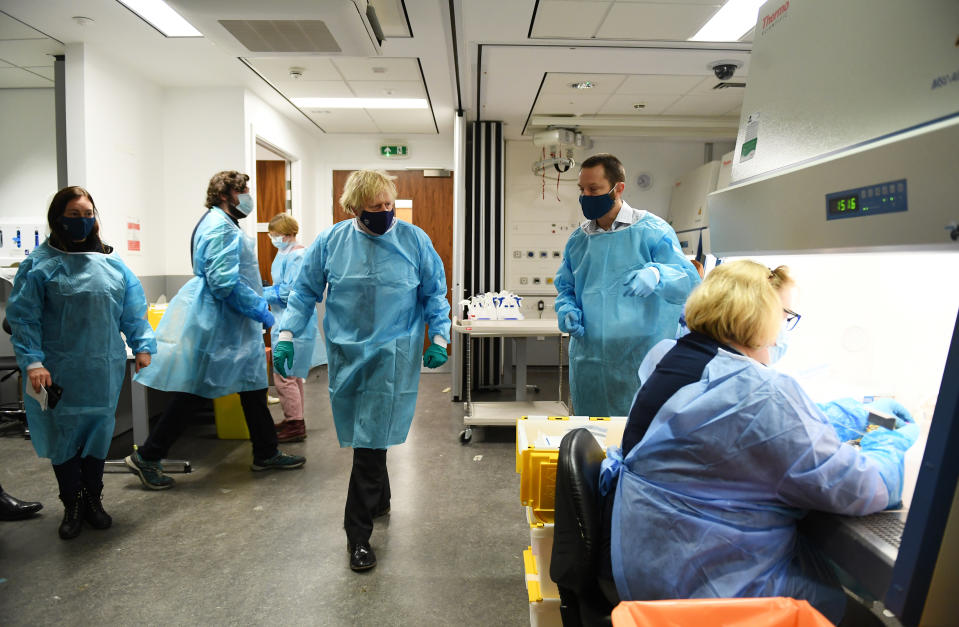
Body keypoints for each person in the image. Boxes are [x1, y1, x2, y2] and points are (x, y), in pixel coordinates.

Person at [600, 260, 918, 623]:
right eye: (786, 316)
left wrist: (853, 415)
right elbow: (862, 488)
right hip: (716, 595)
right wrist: (890, 443)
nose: (783, 329)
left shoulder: (671, 357)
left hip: (650, 570)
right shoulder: (761, 393)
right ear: (763, 316)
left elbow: (764, 424)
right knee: (870, 619)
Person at [272, 169, 450, 572]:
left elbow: (434, 292)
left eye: (389, 205)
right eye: (374, 208)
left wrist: (439, 339)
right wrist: (286, 334)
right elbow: (303, 292)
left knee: (368, 443)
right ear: (353, 208)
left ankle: (358, 537)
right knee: (367, 436)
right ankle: (381, 499)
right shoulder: (331, 242)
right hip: (347, 354)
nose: (384, 213)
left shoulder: (413, 241)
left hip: (393, 355)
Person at [128, 171, 304, 489]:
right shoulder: (219, 227)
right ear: (226, 194)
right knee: (196, 390)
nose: (248, 196)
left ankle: (266, 452)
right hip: (219, 322)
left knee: (252, 388)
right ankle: (148, 455)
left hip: (230, 323)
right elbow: (224, 283)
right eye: (244, 191)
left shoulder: (221, 223)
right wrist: (260, 309)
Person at [6, 186, 157, 539]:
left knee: (98, 435)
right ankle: (71, 505)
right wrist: (32, 362)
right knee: (64, 439)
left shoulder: (111, 262)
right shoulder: (40, 264)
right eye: (73, 214)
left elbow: (133, 309)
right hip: (56, 371)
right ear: (58, 218)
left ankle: (94, 500)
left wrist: (143, 346)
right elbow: (23, 318)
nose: (82, 221)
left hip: (102, 368)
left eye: (87, 213)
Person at [554, 153, 701, 417]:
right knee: (592, 436)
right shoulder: (579, 240)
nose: (586, 196)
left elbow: (689, 281)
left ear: (618, 188)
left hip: (641, 358)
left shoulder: (653, 230)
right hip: (590, 359)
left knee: (640, 434)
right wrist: (566, 308)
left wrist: (658, 274)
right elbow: (566, 287)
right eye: (582, 190)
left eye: (594, 189)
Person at [264, 213, 318, 443]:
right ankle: (294, 419)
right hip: (286, 320)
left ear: (285, 234)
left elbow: (289, 292)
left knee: (284, 376)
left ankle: (295, 424)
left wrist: (261, 293)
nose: (272, 238)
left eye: (274, 235)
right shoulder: (285, 252)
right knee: (292, 375)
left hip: (292, 323)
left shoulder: (297, 255)